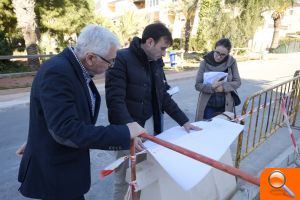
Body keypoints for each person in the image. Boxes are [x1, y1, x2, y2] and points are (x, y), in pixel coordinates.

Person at [17, 24, 147, 200]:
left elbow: (55, 116)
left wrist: (39, 136)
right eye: (110, 61)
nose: (112, 66)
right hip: (57, 176)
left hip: (65, 170)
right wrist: (125, 132)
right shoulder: (58, 72)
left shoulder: (74, 69)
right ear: (91, 57)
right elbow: (66, 129)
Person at [105, 22, 201, 200]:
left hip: (149, 130)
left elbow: (162, 96)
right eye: (162, 48)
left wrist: (184, 121)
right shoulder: (121, 60)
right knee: (124, 179)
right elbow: (115, 102)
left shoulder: (156, 62)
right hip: (126, 131)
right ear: (149, 42)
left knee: (143, 175)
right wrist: (131, 129)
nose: (164, 53)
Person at [195, 38, 241, 121]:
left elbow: (237, 82)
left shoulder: (232, 62)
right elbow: (198, 85)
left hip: (225, 105)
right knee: (206, 130)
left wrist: (223, 87)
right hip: (208, 105)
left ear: (228, 54)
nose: (219, 56)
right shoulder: (204, 63)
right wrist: (212, 87)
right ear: (214, 49)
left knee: (223, 130)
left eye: (223, 54)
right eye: (217, 52)